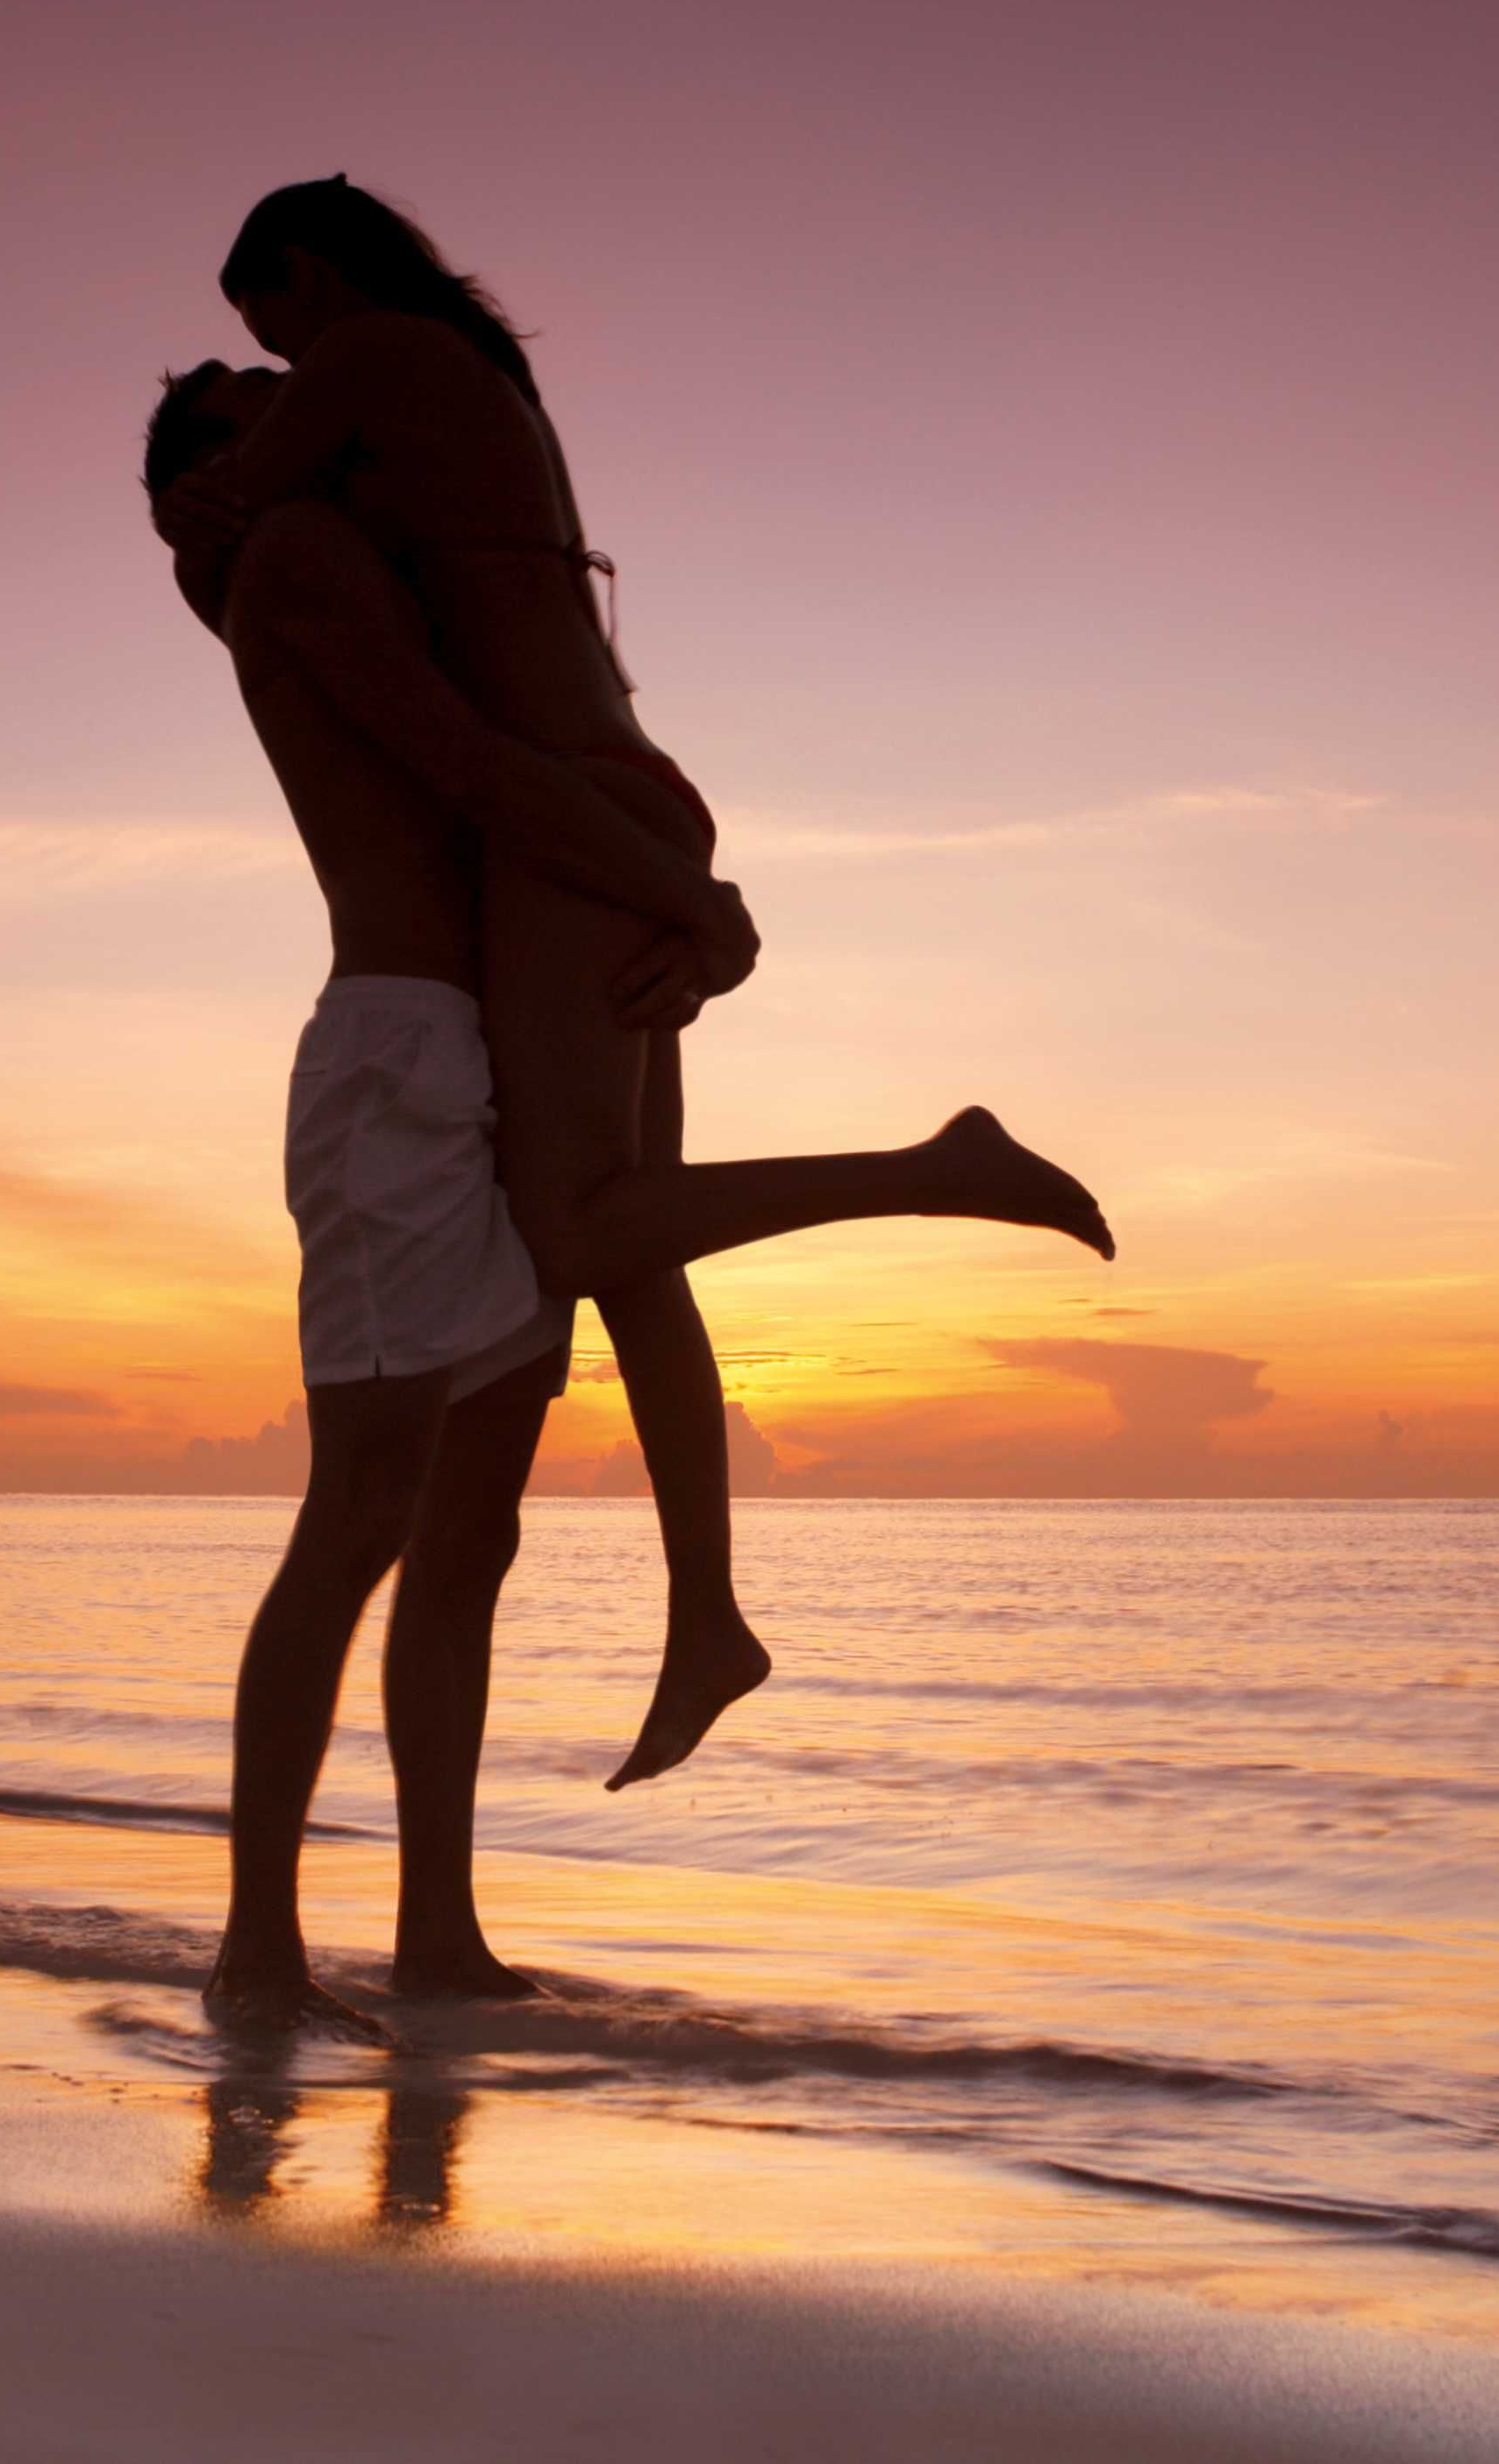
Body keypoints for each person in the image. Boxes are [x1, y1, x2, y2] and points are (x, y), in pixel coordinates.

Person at [151, 176, 1110, 1792]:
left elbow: (224, 521)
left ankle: (940, 1169)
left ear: (312, 279)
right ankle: (710, 1616)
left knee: (584, 1227)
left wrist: (197, 483)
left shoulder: (372, 361)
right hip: (625, 794)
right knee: (633, 1237)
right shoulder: (473, 386)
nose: (284, 379)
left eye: (271, 334)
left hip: (570, 826)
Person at [146, 367, 756, 2033]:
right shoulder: (297, 559)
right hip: (403, 1067)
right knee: (356, 1521)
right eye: (237, 398)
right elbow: (469, 769)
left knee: (468, 1541)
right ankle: (255, 1952)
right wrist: (689, 903)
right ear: (216, 478)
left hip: (474, 1062)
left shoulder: (366, 550)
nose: (287, 395)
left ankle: (436, 1937)